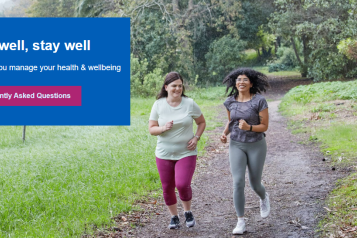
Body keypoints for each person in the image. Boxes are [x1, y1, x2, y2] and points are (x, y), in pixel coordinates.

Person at [148, 71, 206, 229]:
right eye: (174, 86)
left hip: (186, 152)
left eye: (180, 86)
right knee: (167, 187)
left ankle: (187, 211)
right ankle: (174, 217)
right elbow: (151, 129)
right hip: (164, 154)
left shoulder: (189, 103)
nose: (177, 89)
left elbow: (201, 122)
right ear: (166, 87)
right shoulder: (158, 104)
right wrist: (163, 128)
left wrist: (196, 138)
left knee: (182, 184)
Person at [220, 67, 270, 235]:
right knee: (238, 182)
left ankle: (264, 197)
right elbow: (231, 121)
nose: (241, 82)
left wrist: (248, 127)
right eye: (238, 80)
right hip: (237, 144)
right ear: (235, 83)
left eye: (245, 80)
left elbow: (264, 126)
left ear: (251, 83)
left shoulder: (259, 101)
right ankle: (240, 221)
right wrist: (224, 133)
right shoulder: (229, 102)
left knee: (255, 183)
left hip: (256, 144)